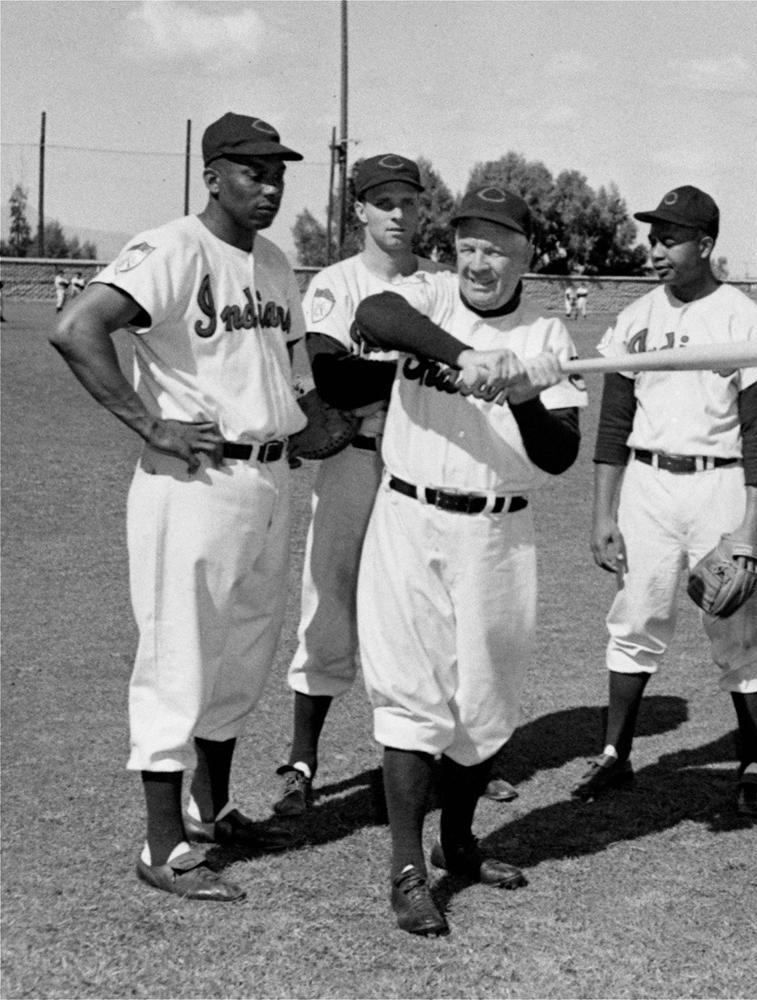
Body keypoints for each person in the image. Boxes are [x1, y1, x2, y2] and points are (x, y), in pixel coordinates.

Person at [48, 112, 308, 902]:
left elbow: (294, 377)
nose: (268, 186)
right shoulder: (172, 247)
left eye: (277, 172)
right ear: (213, 174)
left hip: (270, 476)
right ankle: (163, 848)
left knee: (244, 652)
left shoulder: (274, 262)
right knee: (179, 658)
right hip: (195, 479)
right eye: (252, 171)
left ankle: (209, 807)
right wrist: (149, 421)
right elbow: (76, 327)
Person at [350, 185, 586, 936]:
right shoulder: (425, 294)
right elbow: (372, 316)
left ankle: (457, 841)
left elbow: (558, 456)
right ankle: (406, 866)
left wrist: (521, 392)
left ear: (527, 255)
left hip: (497, 532)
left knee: (484, 706)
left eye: (498, 248)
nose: (480, 263)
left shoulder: (549, 334)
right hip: (410, 515)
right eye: (470, 246)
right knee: (411, 696)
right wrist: (465, 354)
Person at [574, 184, 757, 818]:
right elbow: (613, 424)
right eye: (653, 238)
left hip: (719, 480)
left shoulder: (743, 317)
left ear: (705, 244)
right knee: (635, 612)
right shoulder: (635, 319)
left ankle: (752, 761)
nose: (656, 250)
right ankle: (615, 752)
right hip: (647, 483)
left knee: (738, 624)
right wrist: (603, 514)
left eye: (670, 239)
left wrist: (752, 528)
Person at [271, 154, 443, 817]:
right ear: (361, 211)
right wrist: (425, 362)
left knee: (423, 605)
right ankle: (302, 760)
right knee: (329, 602)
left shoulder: (440, 285)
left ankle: (445, 756)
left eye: (410, 200)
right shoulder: (337, 284)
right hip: (354, 457)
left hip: (420, 462)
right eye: (385, 201)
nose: (399, 213)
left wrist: (393, 365)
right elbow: (334, 379)